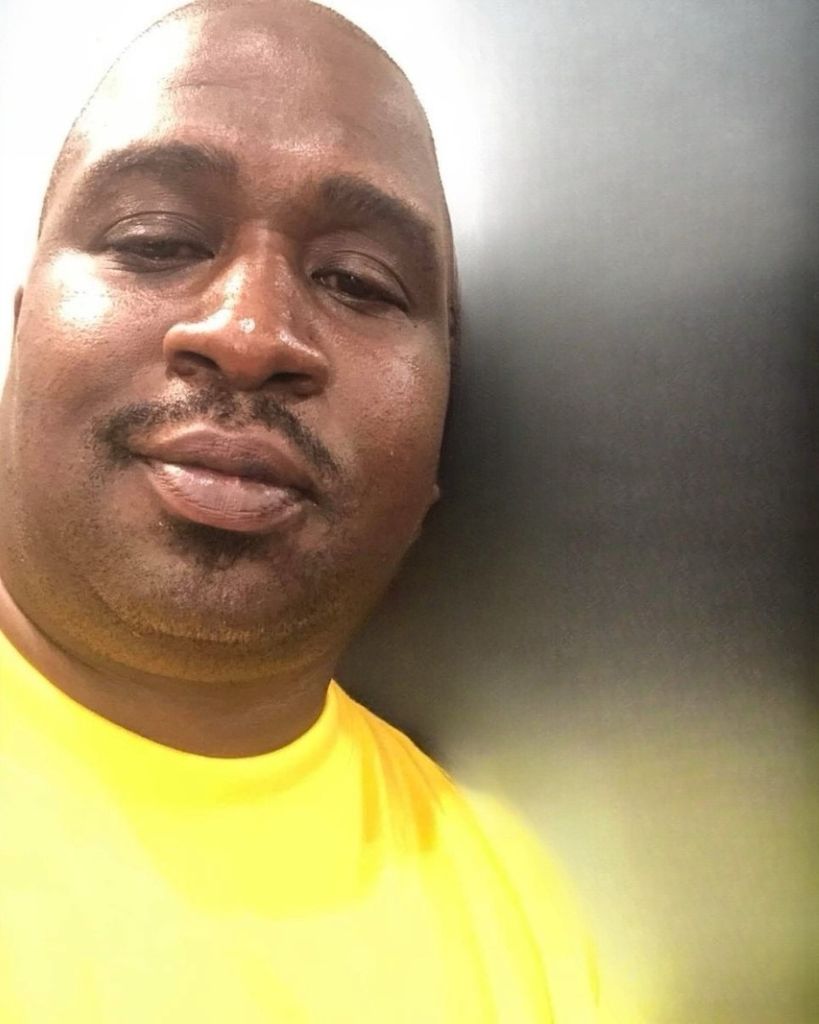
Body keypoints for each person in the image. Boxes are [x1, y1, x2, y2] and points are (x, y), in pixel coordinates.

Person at [0, 1, 628, 1020]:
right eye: (158, 240)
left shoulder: (540, 933)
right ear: (22, 335)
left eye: (357, 282)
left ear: (441, 440)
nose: (250, 332)